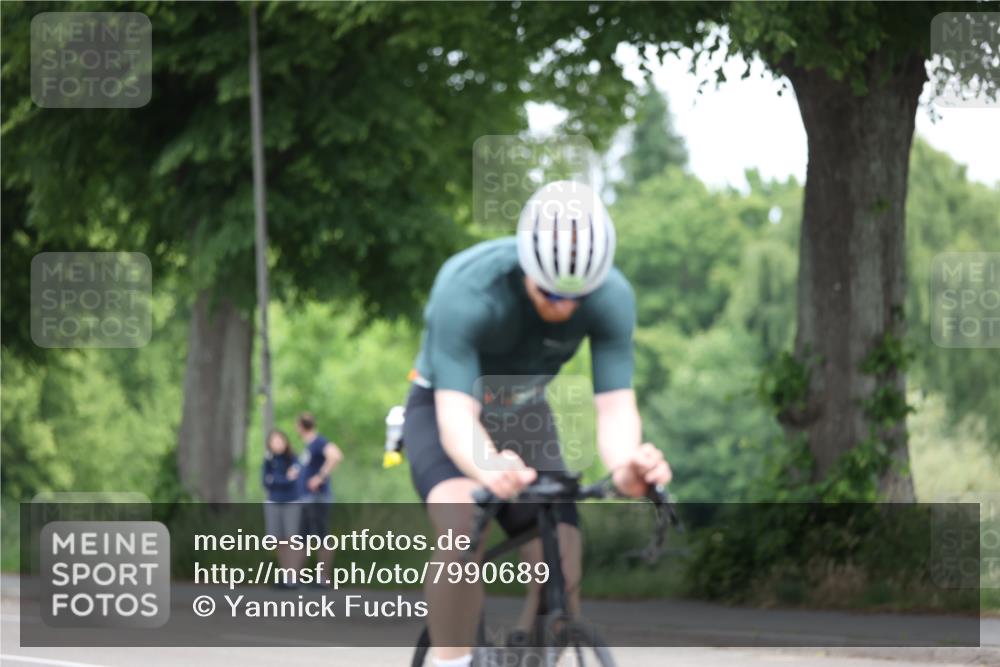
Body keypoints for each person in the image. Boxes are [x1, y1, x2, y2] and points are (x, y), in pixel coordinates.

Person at [404, 180, 672, 667]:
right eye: (549, 291)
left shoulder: (612, 297)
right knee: (461, 526)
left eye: (577, 296)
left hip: (524, 411)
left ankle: (532, 655)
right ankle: (453, 661)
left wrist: (627, 465)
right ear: (527, 263)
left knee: (564, 557)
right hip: (446, 410)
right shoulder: (466, 287)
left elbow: (614, 406)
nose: (563, 306)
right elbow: (455, 414)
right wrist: (487, 466)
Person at [295, 412, 344, 582]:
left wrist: (320, 477)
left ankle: (324, 577)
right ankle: (295, 577)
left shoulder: (318, 442)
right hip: (307, 498)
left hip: (318, 497)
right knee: (303, 537)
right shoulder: (309, 446)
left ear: (300, 426)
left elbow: (336, 455)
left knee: (322, 537)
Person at [261, 429, 304, 588]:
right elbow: (265, 482)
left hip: (291, 502)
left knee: (293, 540)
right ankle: (286, 576)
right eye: (274, 441)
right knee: (279, 541)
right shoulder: (269, 459)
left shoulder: (293, 458)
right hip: (273, 502)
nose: (277, 444)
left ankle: (294, 577)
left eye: (280, 440)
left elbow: (293, 480)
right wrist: (284, 478)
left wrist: (277, 480)